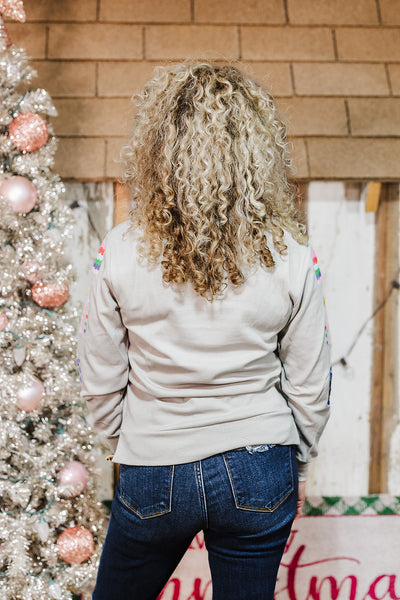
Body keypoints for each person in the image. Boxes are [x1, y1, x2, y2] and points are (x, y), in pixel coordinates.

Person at [77, 60, 332, 600]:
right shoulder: (292, 255)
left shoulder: (117, 251)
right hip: (262, 461)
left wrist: (127, 443)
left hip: (153, 463)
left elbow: (99, 376)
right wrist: (300, 460)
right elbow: (310, 383)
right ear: (256, 151)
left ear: (159, 148)